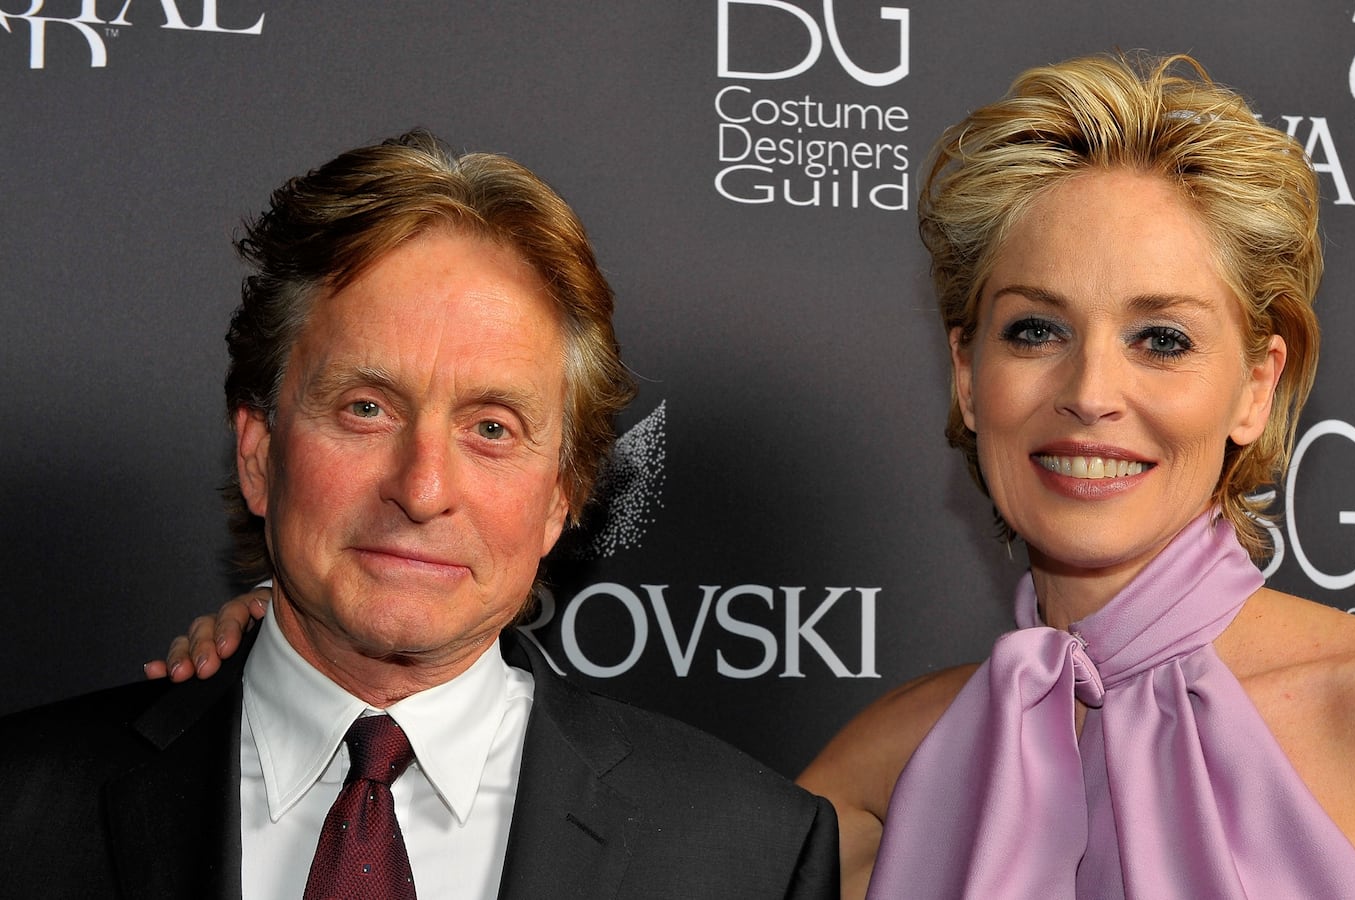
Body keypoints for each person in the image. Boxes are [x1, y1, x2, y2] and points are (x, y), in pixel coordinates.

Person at [148, 55, 1355, 899]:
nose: (1089, 393)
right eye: (1032, 332)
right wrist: (302, 657)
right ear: (966, 375)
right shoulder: (881, 772)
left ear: (1257, 381)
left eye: (1161, 338)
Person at [0, 130, 838, 899]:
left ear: (559, 498)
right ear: (260, 455)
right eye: (367, 409)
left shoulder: (752, 854)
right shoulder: (22, 813)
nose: (424, 486)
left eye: (491, 428)